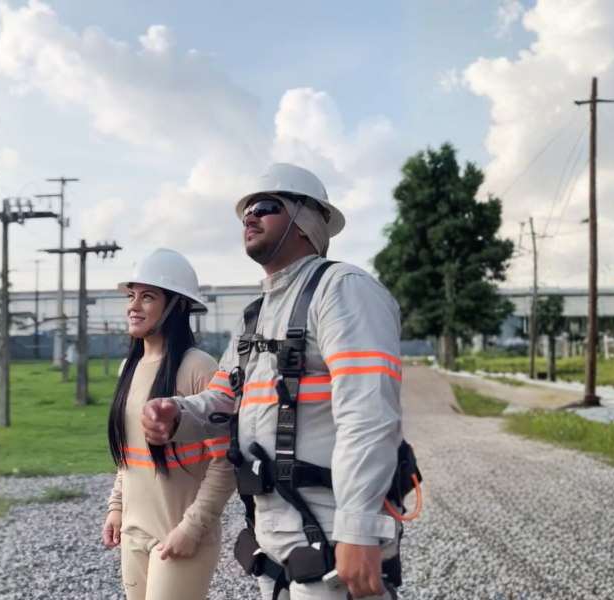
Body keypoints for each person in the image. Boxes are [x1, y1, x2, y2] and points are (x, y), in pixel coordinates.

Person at [141, 164, 421, 600]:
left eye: (265, 207)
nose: (249, 217)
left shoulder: (344, 291)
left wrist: (360, 529)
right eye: (246, 211)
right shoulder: (255, 315)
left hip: (330, 534)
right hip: (275, 540)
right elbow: (224, 399)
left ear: (307, 222)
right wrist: (179, 412)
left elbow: (368, 416)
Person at [101, 248, 236, 600]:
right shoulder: (127, 369)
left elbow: (226, 460)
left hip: (180, 536)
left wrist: (192, 527)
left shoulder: (199, 368)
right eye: (132, 295)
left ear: (178, 306)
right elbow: (129, 454)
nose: (133, 306)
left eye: (148, 297)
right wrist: (116, 507)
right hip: (133, 534)